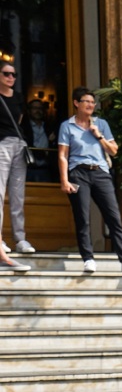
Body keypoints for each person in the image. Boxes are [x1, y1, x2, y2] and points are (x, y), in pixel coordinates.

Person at [57, 86, 122, 275]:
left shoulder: (101, 124)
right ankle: (88, 258)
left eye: (92, 102)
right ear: (76, 103)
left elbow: (113, 150)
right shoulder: (67, 126)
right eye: (86, 101)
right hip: (78, 173)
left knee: (114, 217)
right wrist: (64, 180)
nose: (90, 105)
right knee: (83, 217)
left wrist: (99, 136)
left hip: (101, 173)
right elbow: (63, 155)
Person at [0, 62, 33, 269]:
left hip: (19, 145)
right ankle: (1, 241)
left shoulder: (19, 97)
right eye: (6, 74)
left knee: (18, 194)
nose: (11, 78)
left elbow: (20, 119)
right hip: (1, 144)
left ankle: (20, 239)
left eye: (14, 74)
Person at [20, 98, 58, 184]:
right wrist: (41, 153)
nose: (38, 111)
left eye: (40, 108)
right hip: (28, 168)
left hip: (46, 169)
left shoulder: (49, 126)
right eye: (34, 108)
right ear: (29, 111)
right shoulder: (23, 128)